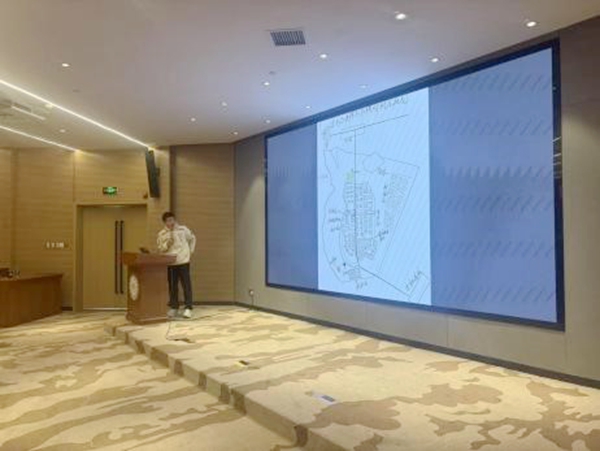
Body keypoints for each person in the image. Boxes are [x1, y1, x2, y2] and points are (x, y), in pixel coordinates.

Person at [157, 212, 196, 318]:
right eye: (168, 220)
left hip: (183, 261)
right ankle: (174, 307)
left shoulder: (183, 230)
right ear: (165, 222)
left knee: (186, 285)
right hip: (171, 263)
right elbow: (161, 248)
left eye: (172, 219)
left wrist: (190, 252)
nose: (171, 222)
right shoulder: (162, 234)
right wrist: (167, 244)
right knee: (172, 286)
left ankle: (188, 308)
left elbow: (192, 238)